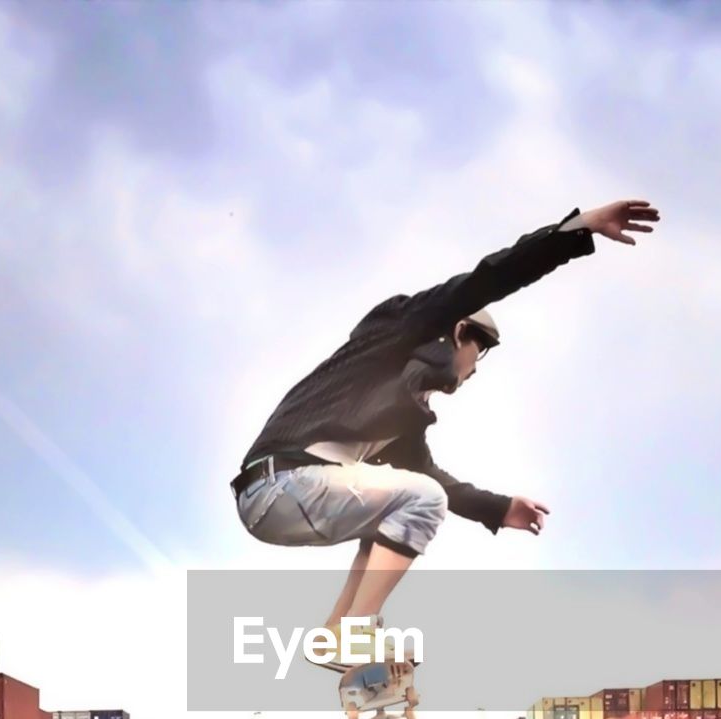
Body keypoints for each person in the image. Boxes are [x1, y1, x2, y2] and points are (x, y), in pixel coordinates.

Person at [230, 199, 660, 663]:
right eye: (480, 355)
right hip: (280, 483)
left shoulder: (404, 414)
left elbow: (435, 478)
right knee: (422, 498)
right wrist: (575, 231)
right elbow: (489, 277)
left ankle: (335, 635)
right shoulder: (400, 331)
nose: (474, 373)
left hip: (276, 500)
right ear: (460, 334)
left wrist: (498, 509)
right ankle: (358, 633)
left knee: (405, 505)